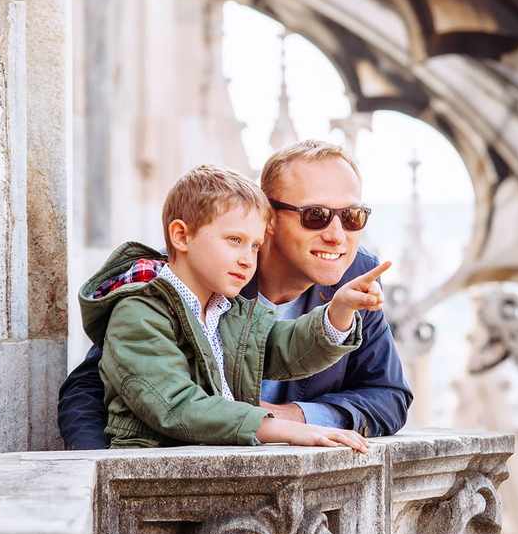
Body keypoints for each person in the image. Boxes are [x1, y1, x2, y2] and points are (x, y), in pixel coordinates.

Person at [60, 140, 414, 449]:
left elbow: (389, 396)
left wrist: (295, 418)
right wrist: (98, 473)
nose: (338, 236)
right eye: (316, 216)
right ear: (268, 218)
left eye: (352, 216)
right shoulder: (199, 273)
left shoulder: (356, 275)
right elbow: (93, 387)